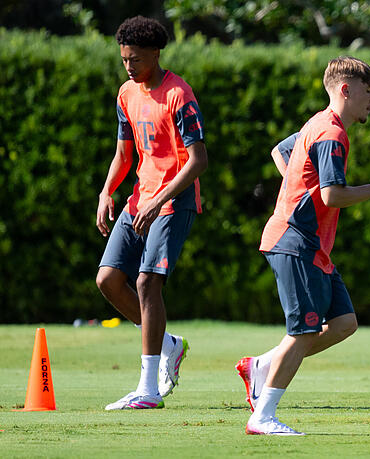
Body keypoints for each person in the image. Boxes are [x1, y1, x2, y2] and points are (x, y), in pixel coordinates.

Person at [235, 56, 370, 435]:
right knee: (304, 330)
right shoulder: (332, 133)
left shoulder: (319, 123)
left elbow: (281, 151)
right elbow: (331, 195)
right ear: (345, 90)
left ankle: (262, 366)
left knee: (343, 323)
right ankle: (263, 416)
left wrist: (295, 184)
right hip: (296, 241)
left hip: (311, 246)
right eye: (368, 91)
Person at [95, 16, 207, 410]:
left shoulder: (179, 94)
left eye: (135, 59)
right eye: (124, 59)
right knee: (108, 280)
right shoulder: (127, 93)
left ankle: (148, 390)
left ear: (155, 54)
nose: (128, 66)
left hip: (174, 202)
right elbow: (125, 153)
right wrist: (107, 191)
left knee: (146, 283)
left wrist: (159, 200)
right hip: (139, 200)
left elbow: (198, 160)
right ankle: (168, 344)